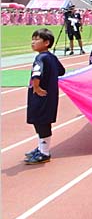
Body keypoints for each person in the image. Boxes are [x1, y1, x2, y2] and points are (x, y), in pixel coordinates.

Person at [24, 28, 65, 164]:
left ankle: (44, 152)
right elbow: (61, 71)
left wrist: (37, 87)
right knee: (43, 122)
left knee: (41, 122)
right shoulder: (51, 57)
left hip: (41, 96)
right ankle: (42, 147)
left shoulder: (40, 58)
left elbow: (36, 74)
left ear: (46, 42)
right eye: (32, 39)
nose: (33, 42)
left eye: (37, 39)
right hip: (51, 96)